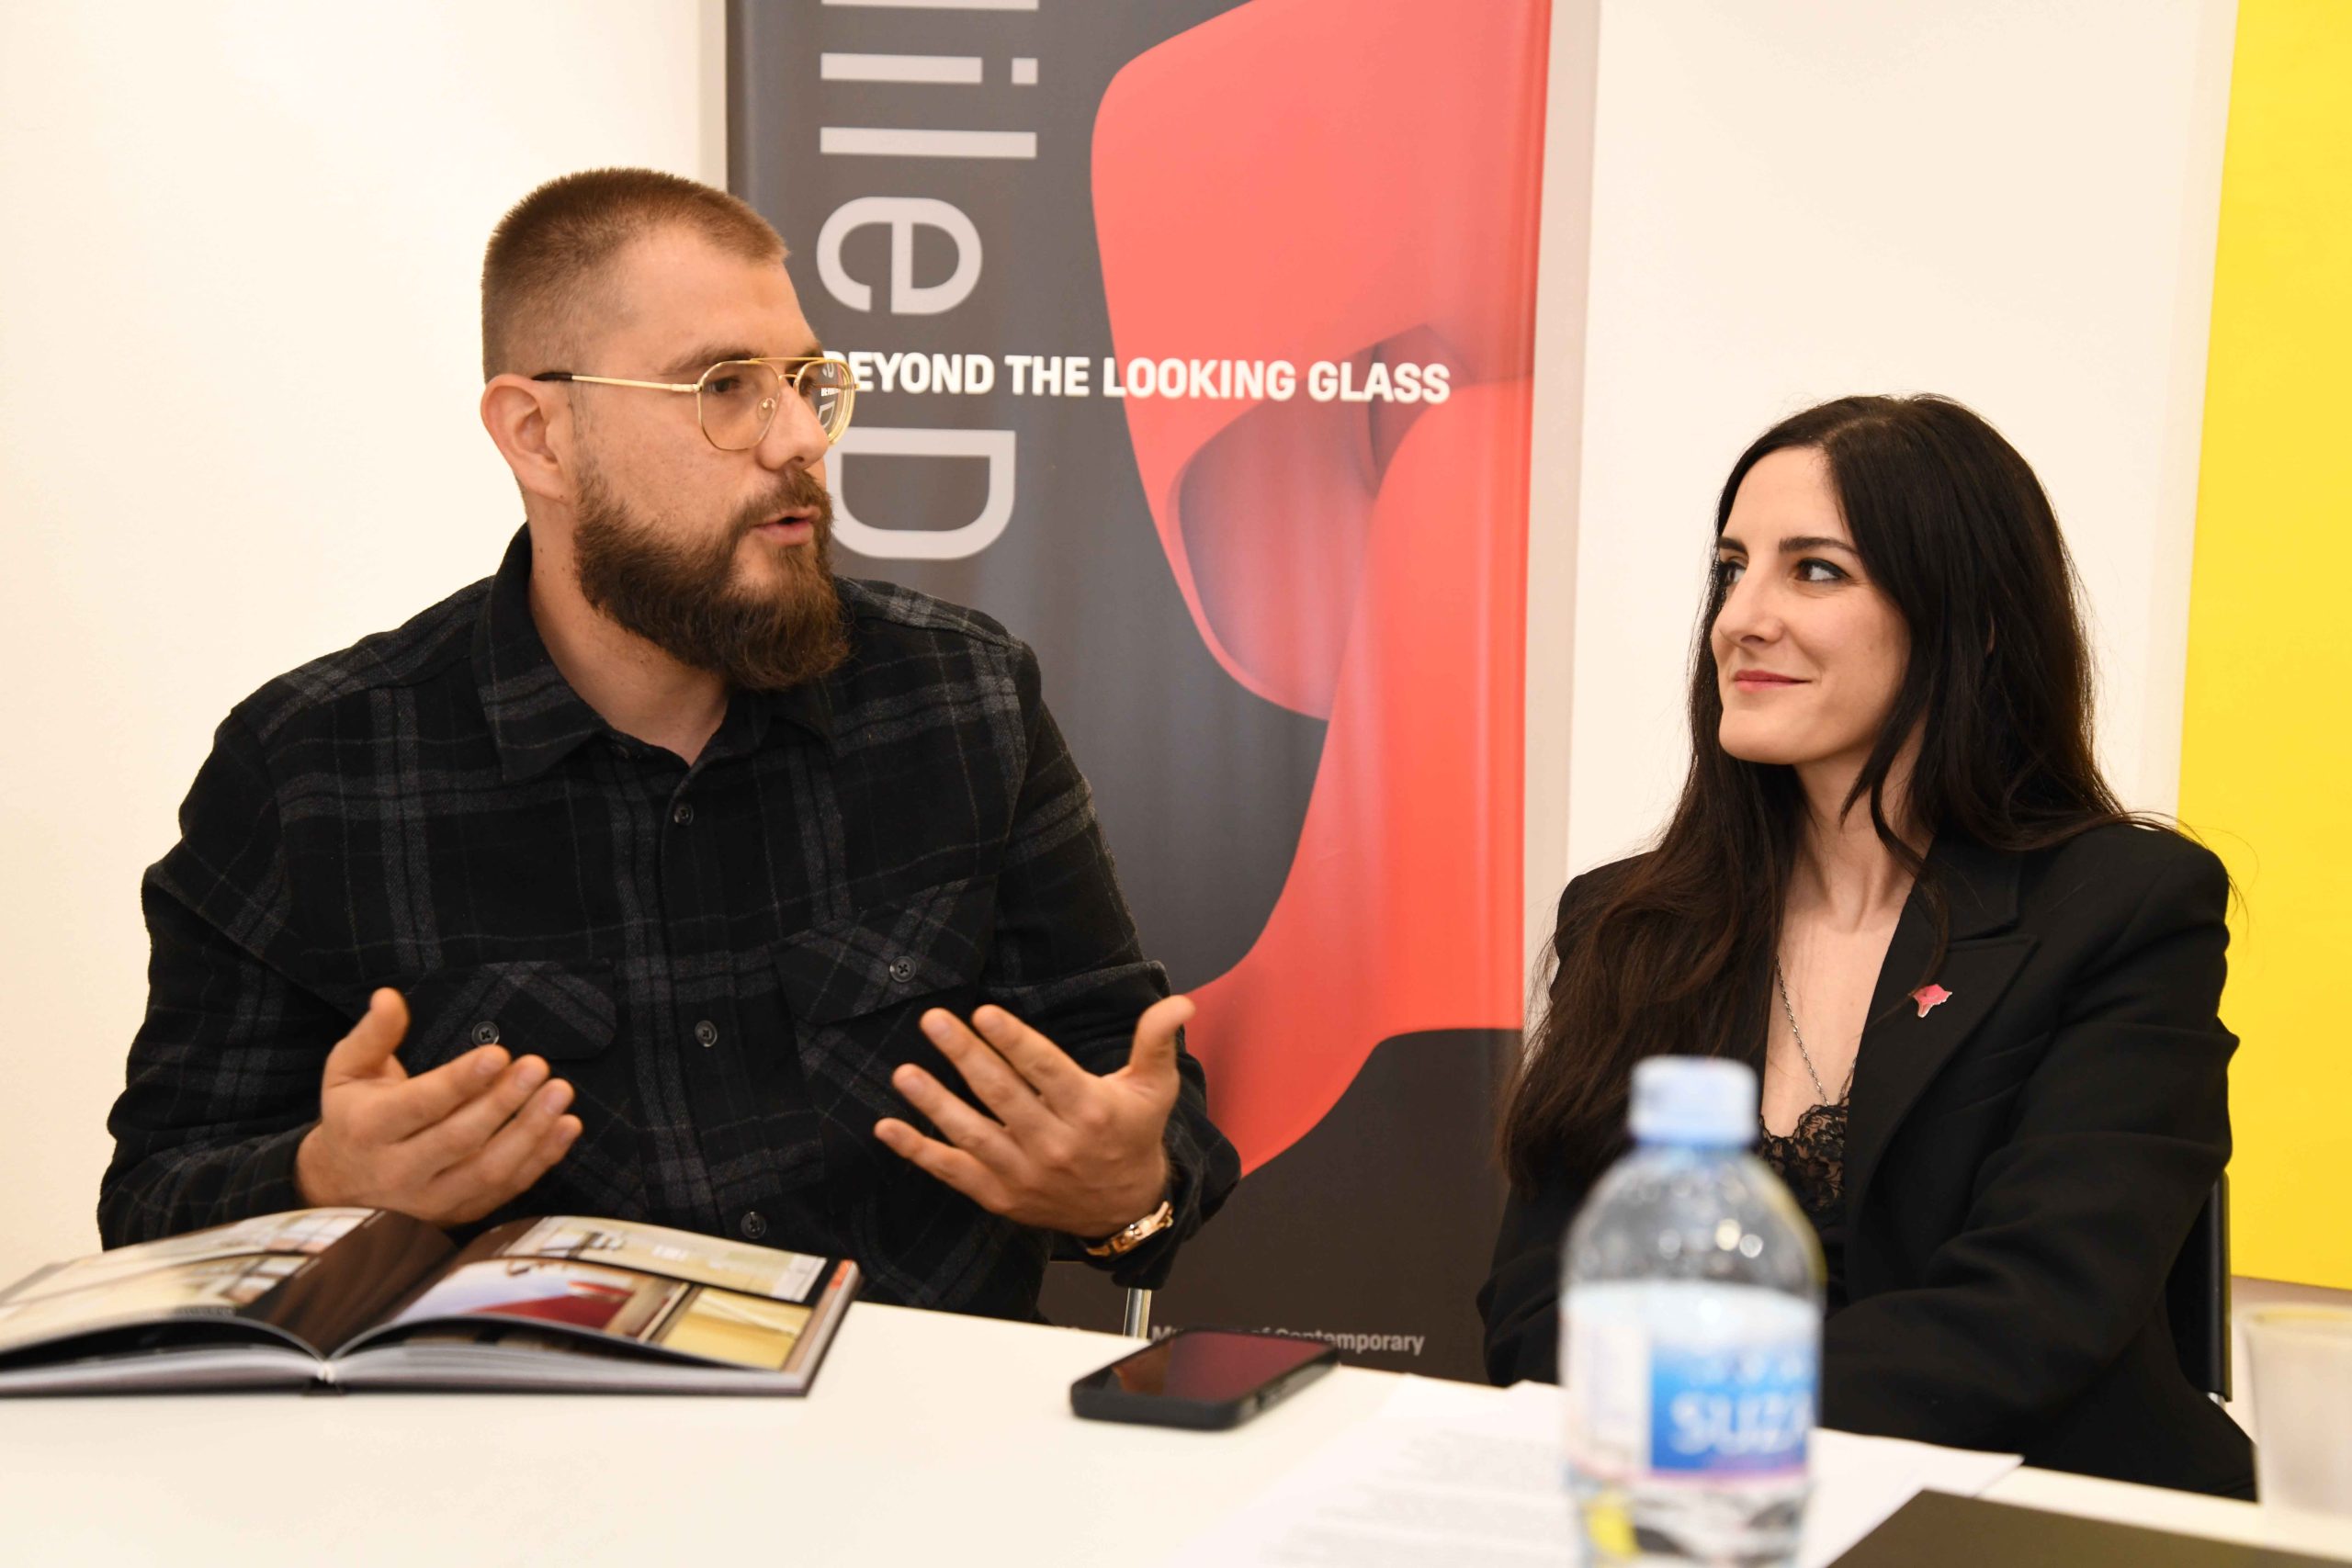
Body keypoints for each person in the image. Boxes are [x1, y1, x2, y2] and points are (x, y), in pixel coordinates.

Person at [99, 168, 1239, 1319]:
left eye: (806, 384)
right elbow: (152, 1212)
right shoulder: (313, 769)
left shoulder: (960, 697)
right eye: (724, 387)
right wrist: (326, 1187)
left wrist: (1128, 1194)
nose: (799, 439)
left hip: (914, 1416)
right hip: (524, 1427)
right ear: (539, 435)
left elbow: (1136, 1099)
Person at [1479, 396, 2253, 1496]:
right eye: (1731, 569)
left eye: (1814, 571)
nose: (1741, 618)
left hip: (2033, 1514)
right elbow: (1537, 1312)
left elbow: (2030, 1321)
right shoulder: (1625, 925)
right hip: (1700, 1519)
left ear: (1974, 620)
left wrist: (1689, 1415)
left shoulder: (2123, 907)